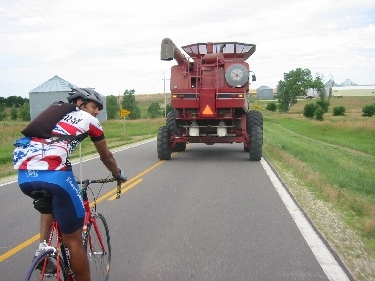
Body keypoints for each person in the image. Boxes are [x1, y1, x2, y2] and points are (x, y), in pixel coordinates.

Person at [13, 87, 127, 281]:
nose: (97, 111)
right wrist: (117, 174)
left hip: (24, 176)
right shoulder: (90, 121)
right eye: (94, 106)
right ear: (80, 104)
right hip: (55, 177)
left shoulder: (52, 116)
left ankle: (43, 248)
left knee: (50, 199)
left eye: (99, 108)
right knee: (73, 241)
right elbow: (106, 156)